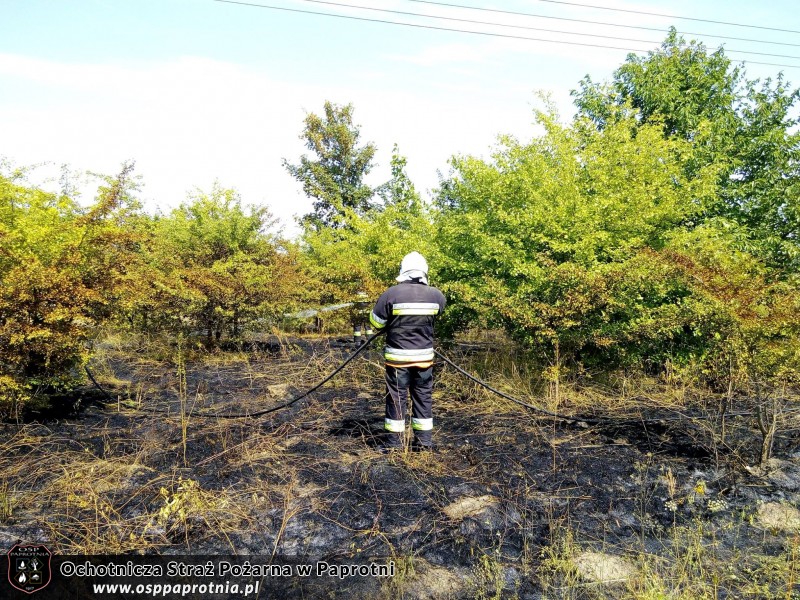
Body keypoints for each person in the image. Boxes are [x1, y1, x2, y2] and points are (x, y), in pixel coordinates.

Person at [369, 252, 446, 452]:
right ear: (424, 271)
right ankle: (424, 444)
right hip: (424, 360)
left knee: (397, 398)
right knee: (423, 397)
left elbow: (376, 322)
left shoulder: (391, 294)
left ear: (403, 270)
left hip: (398, 361)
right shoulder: (436, 295)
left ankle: (395, 445)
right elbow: (438, 313)